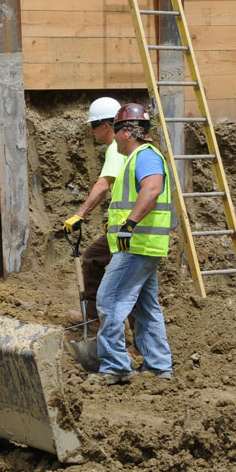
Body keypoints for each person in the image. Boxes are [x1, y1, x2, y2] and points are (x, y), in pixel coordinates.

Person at [93, 102, 174, 385]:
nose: (113, 138)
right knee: (145, 307)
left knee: (110, 300)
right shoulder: (138, 158)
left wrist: (129, 225)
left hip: (137, 246)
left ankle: (115, 366)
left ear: (127, 133)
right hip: (143, 245)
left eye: (116, 132)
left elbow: (151, 190)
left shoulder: (146, 157)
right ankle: (159, 366)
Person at [63, 96, 124, 325]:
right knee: (92, 259)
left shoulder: (116, 149)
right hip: (123, 226)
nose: (91, 132)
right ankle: (94, 315)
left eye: (93, 126)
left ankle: (95, 317)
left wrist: (80, 214)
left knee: (128, 285)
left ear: (106, 126)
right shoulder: (122, 147)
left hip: (128, 229)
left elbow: (104, 184)